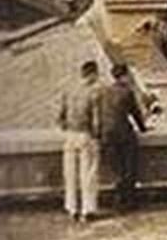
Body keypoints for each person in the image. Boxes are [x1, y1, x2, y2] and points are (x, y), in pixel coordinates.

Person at [100, 63, 147, 212]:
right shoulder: (127, 92)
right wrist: (143, 128)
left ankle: (118, 198)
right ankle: (129, 200)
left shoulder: (105, 91)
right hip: (123, 133)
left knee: (117, 168)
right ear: (125, 76)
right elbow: (135, 113)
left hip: (107, 134)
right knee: (129, 167)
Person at [59, 60, 103, 222]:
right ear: (92, 74)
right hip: (86, 135)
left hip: (70, 134)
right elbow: (96, 121)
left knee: (70, 174)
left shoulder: (69, 91)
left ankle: (71, 208)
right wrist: (97, 136)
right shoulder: (93, 93)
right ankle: (87, 210)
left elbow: (60, 117)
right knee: (88, 174)